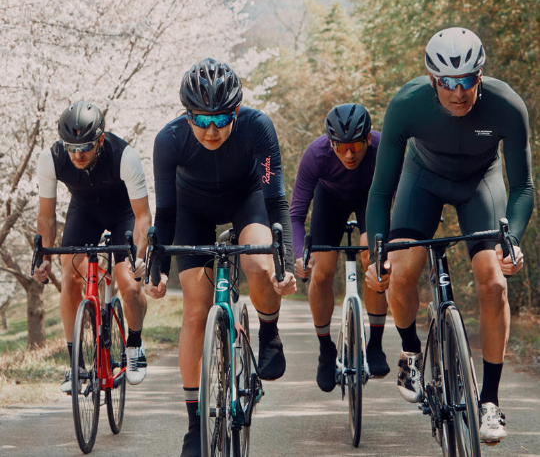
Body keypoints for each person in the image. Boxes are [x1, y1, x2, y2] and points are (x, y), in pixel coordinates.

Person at [365, 27, 533, 444]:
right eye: (447, 82)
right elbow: (381, 191)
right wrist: (378, 255)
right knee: (401, 270)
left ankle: (489, 401)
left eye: (468, 80)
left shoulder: (507, 105)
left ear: (481, 75)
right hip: (421, 181)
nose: (458, 92)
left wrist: (512, 241)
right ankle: (410, 349)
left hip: (480, 185)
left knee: (494, 283)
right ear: (431, 80)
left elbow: (523, 187)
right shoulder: (406, 104)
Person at [147, 58, 296, 457]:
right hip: (191, 210)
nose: (211, 130)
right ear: (187, 114)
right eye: (201, 119)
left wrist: (285, 263)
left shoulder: (257, 127)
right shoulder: (168, 140)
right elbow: (165, 215)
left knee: (259, 264)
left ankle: (269, 332)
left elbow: (276, 201)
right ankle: (195, 423)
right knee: (196, 310)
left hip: (247, 199)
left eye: (221, 119)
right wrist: (156, 269)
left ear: (236, 111)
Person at [33, 101, 152, 390]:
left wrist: (138, 258)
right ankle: (75, 364)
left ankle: (135, 345)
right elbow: (46, 216)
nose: (78, 154)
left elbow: (143, 216)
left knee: (129, 282)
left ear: (100, 139)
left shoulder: (124, 156)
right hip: (84, 211)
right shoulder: (51, 158)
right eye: (71, 147)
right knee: (70, 275)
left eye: (85, 147)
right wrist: (43, 257)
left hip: (124, 213)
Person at [290, 103, 390, 392]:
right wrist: (300, 254)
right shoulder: (316, 154)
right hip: (330, 201)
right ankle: (326, 351)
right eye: (341, 147)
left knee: (373, 257)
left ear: (368, 138)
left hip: (372, 198)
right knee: (321, 272)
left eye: (356, 146)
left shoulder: (383, 148)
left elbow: (396, 197)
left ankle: (375, 343)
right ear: (331, 143)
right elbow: (295, 215)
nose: (349, 154)